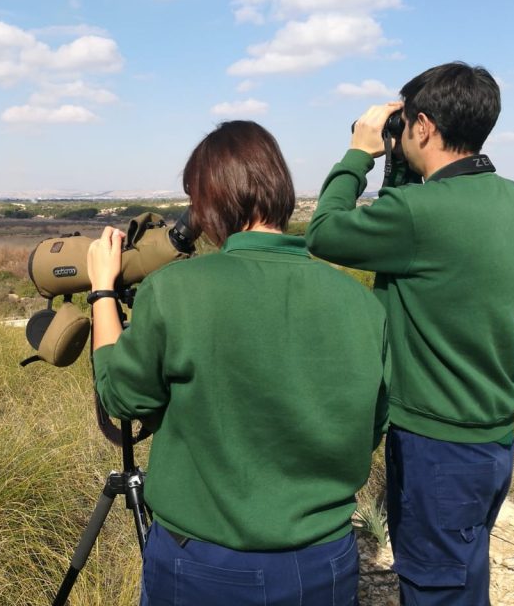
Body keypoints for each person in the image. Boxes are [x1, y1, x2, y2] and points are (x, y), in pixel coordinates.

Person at [87, 120, 389, 606]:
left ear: (208, 203)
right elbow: (370, 426)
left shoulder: (177, 290)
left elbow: (123, 398)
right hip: (325, 561)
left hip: (205, 565)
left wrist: (103, 292)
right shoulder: (360, 303)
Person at [305, 62, 514, 605]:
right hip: (491, 438)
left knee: (435, 589)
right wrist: (405, 164)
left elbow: (324, 232)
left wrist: (361, 153)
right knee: (464, 575)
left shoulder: (419, 215)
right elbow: (421, 219)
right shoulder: (512, 201)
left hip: (438, 443)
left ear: (424, 126)